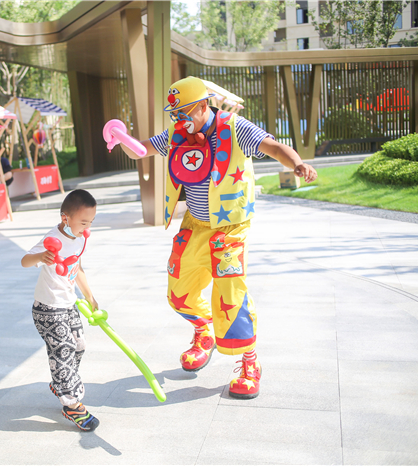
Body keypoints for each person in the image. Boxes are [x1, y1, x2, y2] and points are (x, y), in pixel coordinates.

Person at [118, 76, 317, 399]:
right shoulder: (180, 132)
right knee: (178, 290)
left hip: (230, 227)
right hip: (195, 223)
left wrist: (297, 164)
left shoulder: (236, 128)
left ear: (201, 106)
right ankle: (203, 332)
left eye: (183, 114)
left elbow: (274, 146)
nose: (179, 122)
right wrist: (119, 138)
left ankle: (250, 362)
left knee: (229, 292)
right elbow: (142, 151)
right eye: (174, 116)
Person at [21, 189, 100, 431]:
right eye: (83, 222)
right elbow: (25, 260)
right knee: (63, 348)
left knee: (79, 345)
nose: (86, 227)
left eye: (91, 222)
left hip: (68, 304)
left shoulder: (80, 238)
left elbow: (77, 266)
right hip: (47, 308)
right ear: (65, 217)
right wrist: (41, 257)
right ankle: (71, 403)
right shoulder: (52, 238)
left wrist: (89, 295)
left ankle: (60, 382)